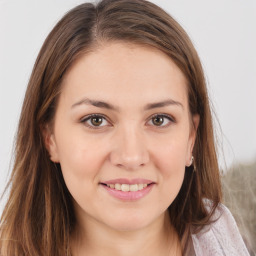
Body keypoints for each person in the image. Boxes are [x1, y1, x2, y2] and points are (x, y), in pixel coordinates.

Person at [0, 0, 250, 255]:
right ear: (49, 137)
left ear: (191, 137)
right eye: (96, 120)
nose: (131, 157)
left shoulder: (225, 238)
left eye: (159, 119)